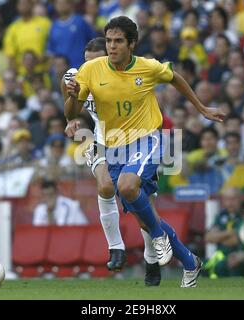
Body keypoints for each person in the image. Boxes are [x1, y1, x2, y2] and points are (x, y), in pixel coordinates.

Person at [65, 16, 225, 287]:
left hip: (147, 139)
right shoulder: (90, 70)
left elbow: (176, 78)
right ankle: (189, 260)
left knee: (127, 187)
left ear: (131, 44)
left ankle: (154, 240)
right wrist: (72, 96)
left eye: (118, 41)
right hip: (113, 145)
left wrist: (201, 108)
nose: (112, 46)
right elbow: (71, 113)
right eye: (109, 41)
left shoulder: (148, 67)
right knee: (145, 214)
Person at [62, 37, 162, 286]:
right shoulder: (77, 75)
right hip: (100, 139)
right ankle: (116, 248)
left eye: (94, 62)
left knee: (144, 210)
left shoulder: (126, 76)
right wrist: (70, 120)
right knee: (105, 185)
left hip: (136, 141)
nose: (89, 68)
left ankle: (151, 259)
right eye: (85, 63)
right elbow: (71, 105)